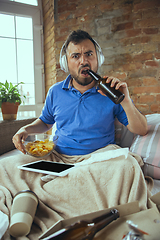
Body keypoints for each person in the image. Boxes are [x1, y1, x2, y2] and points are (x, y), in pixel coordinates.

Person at [12, 30, 148, 155]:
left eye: (89, 54)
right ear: (66, 63)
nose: (83, 61)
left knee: (129, 165)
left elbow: (141, 129)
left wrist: (125, 101)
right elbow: (46, 122)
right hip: (60, 156)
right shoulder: (55, 91)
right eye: (76, 56)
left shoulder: (112, 92)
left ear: (98, 59)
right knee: (9, 165)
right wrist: (26, 129)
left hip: (99, 158)